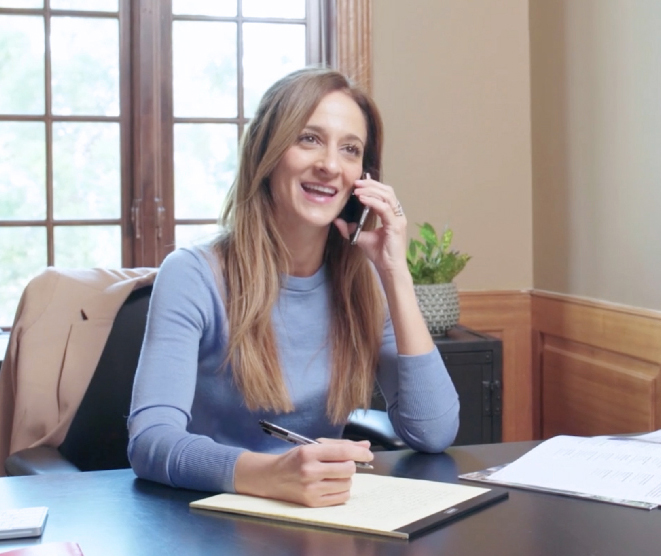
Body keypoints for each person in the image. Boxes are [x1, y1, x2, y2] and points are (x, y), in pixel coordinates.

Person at [127, 67, 459, 507]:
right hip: (207, 523)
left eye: (350, 150)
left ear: (364, 178)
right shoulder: (192, 274)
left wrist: (395, 273)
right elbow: (150, 442)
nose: (329, 165)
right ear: (266, 152)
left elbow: (433, 432)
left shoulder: (365, 283)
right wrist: (270, 474)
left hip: (322, 523)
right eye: (308, 139)